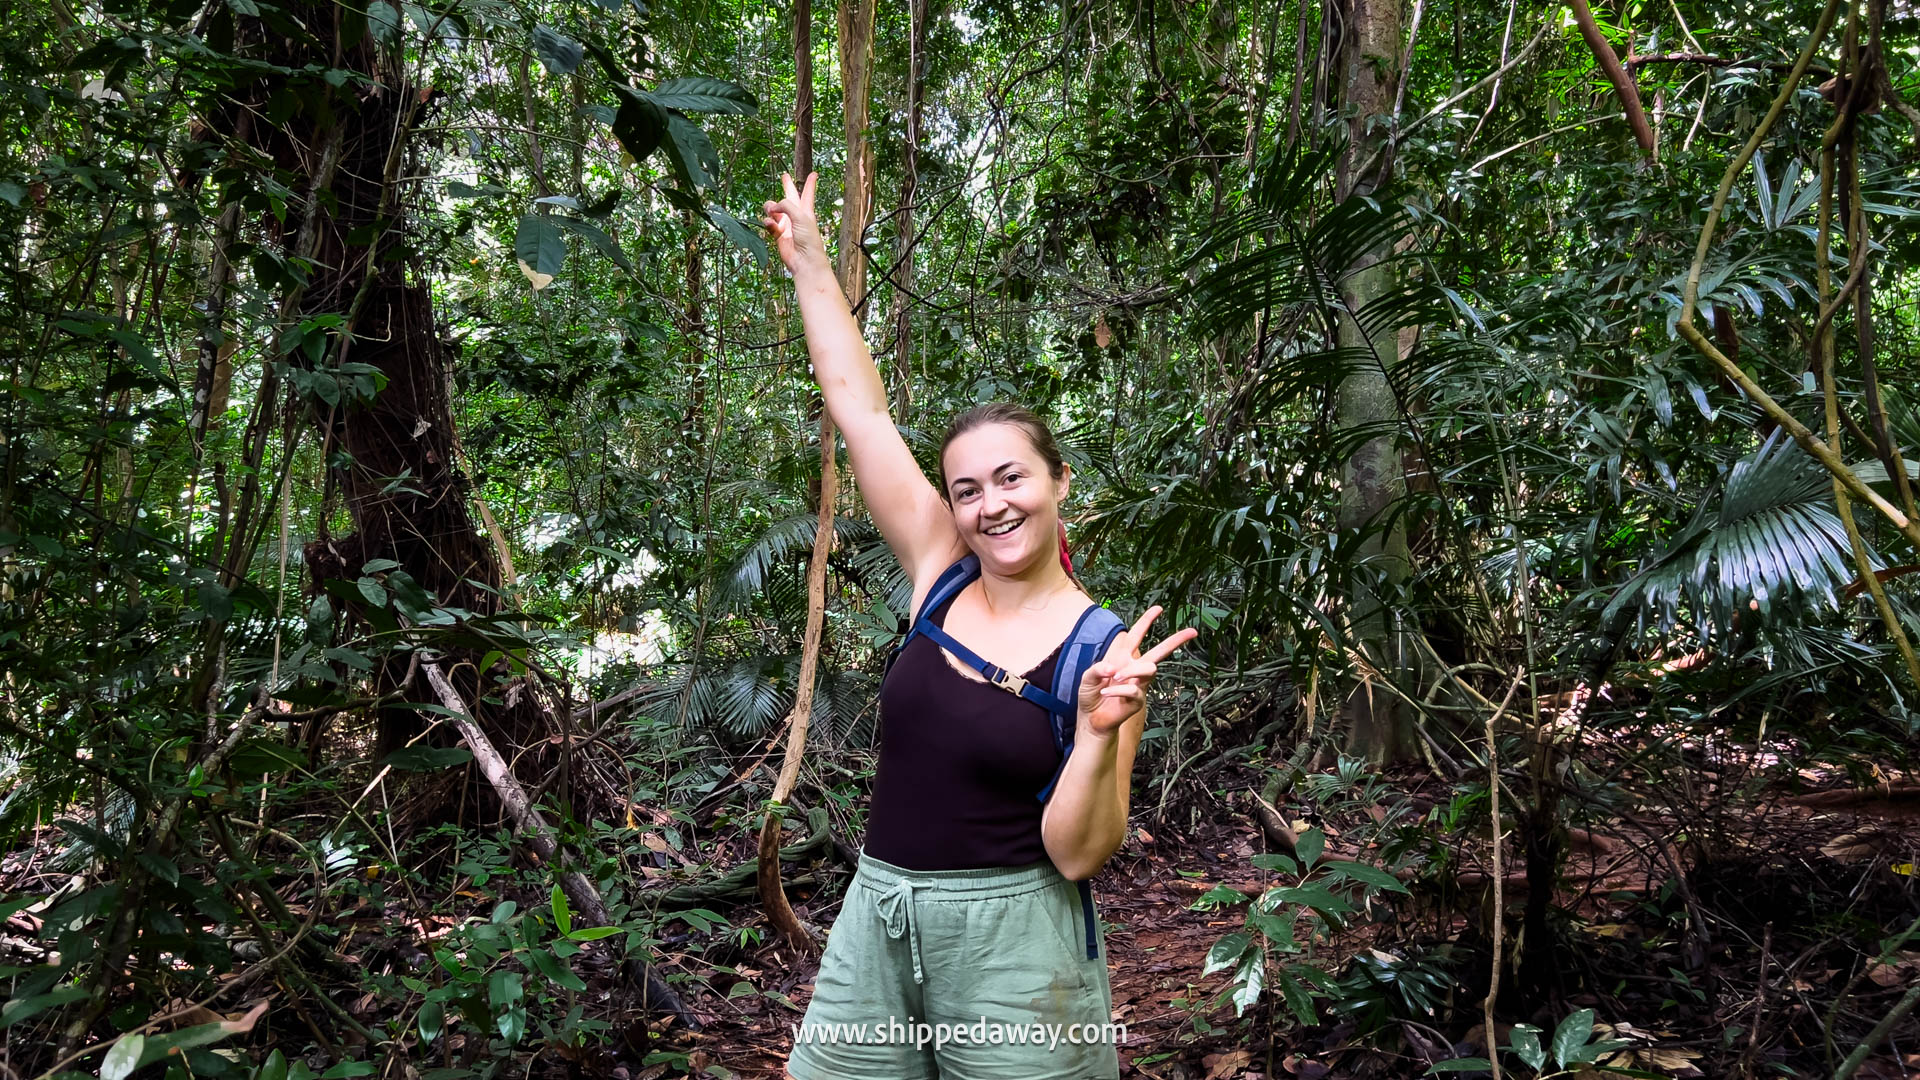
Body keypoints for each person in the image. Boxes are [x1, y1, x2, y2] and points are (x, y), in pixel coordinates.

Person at [764, 172, 1197, 1080]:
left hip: (1016, 944)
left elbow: (1079, 852)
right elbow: (863, 411)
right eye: (967, 490)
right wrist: (810, 262)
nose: (991, 506)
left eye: (1012, 478)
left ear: (1058, 482)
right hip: (879, 918)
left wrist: (1096, 732)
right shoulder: (939, 572)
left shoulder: (1104, 651)